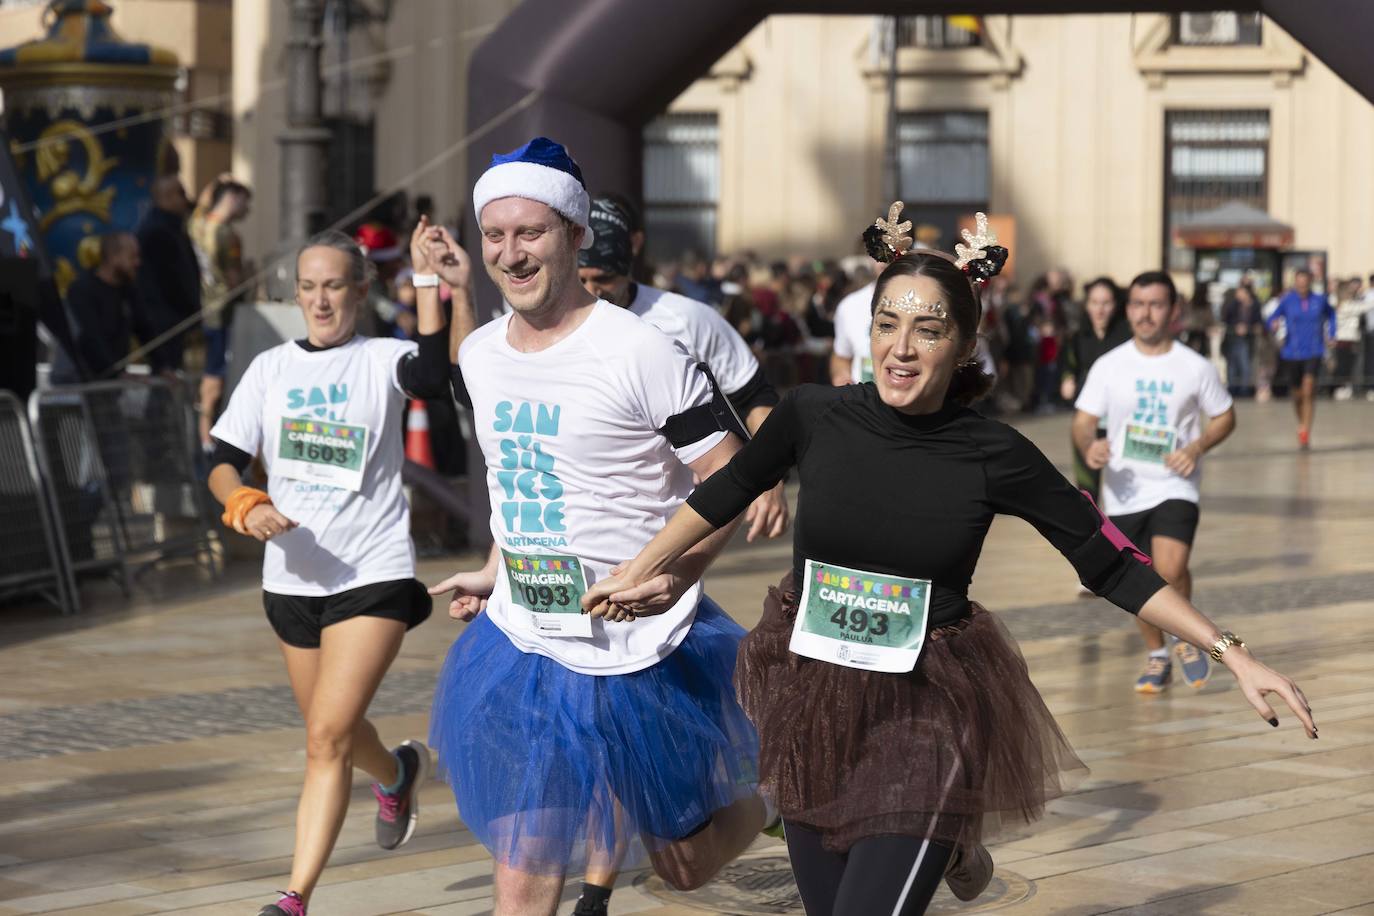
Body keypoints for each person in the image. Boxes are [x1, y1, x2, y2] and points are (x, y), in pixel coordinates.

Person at [584, 209, 1315, 916]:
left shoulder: (994, 452)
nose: (901, 348)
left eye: (928, 330)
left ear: (964, 345)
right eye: (887, 325)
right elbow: (728, 489)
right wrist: (643, 566)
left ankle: (943, 830)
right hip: (812, 696)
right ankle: (952, 845)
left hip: (928, 706)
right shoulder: (812, 414)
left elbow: (1110, 563)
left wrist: (1230, 652)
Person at [424, 137, 770, 916]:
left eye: (532, 233)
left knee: (683, 863)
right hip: (525, 639)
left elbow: (732, 475)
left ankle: (769, 802)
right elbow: (527, 480)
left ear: (576, 235)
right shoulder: (481, 356)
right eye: (496, 235)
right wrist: (496, 567)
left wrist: (672, 573)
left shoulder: (640, 350)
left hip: (638, 648)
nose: (511, 255)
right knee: (522, 875)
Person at [207, 222, 452, 916]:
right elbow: (219, 461)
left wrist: (428, 281)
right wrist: (244, 503)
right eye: (309, 287)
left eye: (335, 286)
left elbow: (434, 378)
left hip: (371, 573)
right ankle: (399, 771)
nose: (320, 301)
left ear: (361, 290)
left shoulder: (383, 358)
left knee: (322, 739)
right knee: (336, 730)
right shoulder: (271, 370)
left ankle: (293, 899)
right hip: (290, 582)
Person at [577, 194, 788, 541]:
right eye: (580, 278)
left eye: (603, 278)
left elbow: (753, 397)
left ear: (634, 247)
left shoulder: (688, 319)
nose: (592, 291)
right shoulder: (543, 328)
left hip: (671, 520)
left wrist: (771, 478)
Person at [1073, 271, 1237, 694]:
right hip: (1124, 489)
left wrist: (1196, 447)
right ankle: (1158, 654)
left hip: (1174, 483)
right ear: (1129, 310)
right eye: (1138, 305)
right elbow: (1083, 422)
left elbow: (1225, 416)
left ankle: (1185, 636)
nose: (1146, 314)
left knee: (1171, 567)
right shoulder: (1110, 365)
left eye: (1156, 304)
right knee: (1139, 580)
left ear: (1173, 311)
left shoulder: (1194, 366)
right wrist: (1091, 447)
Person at [191, 178, 252, 449]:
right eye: (244, 201)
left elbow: (202, 202)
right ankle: (209, 436)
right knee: (215, 376)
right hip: (221, 313)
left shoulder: (198, 223)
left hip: (201, 311)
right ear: (233, 198)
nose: (247, 209)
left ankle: (204, 433)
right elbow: (235, 278)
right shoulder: (227, 234)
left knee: (206, 375)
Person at [1059, 276, 1131, 500]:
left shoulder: (1128, 337)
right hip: (1087, 421)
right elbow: (1068, 365)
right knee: (1088, 488)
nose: (1100, 309)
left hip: (1121, 422)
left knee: (1124, 488)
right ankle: (1094, 531)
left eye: (1106, 303)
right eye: (1094, 302)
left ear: (1116, 305)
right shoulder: (1078, 336)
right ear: (1087, 304)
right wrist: (1067, 380)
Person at [50, 232, 142, 383]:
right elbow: (90, 336)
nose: (137, 263)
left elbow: (144, 326)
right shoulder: (81, 291)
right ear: (113, 256)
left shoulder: (127, 289)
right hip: (76, 383)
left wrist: (163, 366)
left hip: (108, 383)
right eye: (132, 257)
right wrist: (114, 373)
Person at [135, 174, 201, 375]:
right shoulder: (158, 232)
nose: (185, 200)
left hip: (173, 318)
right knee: (165, 373)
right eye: (180, 194)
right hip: (164, 320)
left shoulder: (172, 228)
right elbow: (172, 280)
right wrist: (190, 309)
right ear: (165, 197)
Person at [1266, 268, 1335, 448]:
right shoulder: (1287, 300)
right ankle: (1301, 423)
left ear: (1310, 283)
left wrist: (1332, 333)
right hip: (1292, 353)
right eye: (1299, 283)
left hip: (1314, 351)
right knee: (1297, 395)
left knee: (1308, 389)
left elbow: (1332, 315)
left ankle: (1305, 430)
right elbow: (1272, 317)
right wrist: (1272, 324)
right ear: (1295, 283)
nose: (1302, 287)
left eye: (1305, 284)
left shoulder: (1319, 300)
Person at [1220, 284, 1264, 396]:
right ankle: (1233, 388)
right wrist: (1236, 326)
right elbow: (1225, 319)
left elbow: (1258, 321)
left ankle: (1245, 389)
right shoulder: (1233, 305)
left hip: (1247, 339)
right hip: (1232, 338)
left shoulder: (1255, 305)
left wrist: (1249, 327)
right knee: (1232, 365)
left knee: (1245, 364)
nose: (1238, 295)